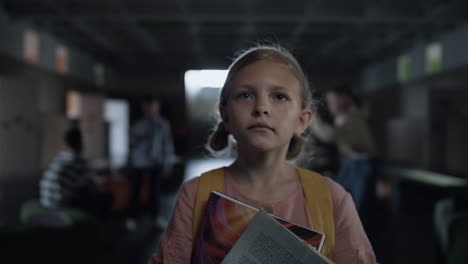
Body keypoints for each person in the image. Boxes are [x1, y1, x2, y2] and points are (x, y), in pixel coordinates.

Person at [149, 45, 376, 263]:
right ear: (225, 116)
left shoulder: (333, 199)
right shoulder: (195, 194)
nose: (261, 108)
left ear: (302, 121)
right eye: (245, 95)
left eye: (279, 97)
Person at [312, 84, 377, 213]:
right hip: (351, 163)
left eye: (332, 101)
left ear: (344, 99)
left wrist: (311, 117)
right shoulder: (341, 118)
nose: (329, 106)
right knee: (339, 200)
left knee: (356, 210)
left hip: (361, 165)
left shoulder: (351, 117)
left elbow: (329, 136)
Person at [39, 126, 113, 216]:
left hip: (47, 201)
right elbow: (92, 185)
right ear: (80, 143)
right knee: (106, 196)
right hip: (59, 204)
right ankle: (98, 227)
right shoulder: (77, 161)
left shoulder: (59, 158)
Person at [128, 98, 175, 228]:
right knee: (136, 190)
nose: (150, 110)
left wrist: (167, 163)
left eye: (152, 107)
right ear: (144, 108)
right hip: (140, 161)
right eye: (147, 107)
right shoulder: (138, 124)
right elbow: (132, 144)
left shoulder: (163, 124)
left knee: (155, 191)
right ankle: (132, 217)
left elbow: (167, 144)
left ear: (157, 107)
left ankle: (155, 218)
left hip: (156, 161)